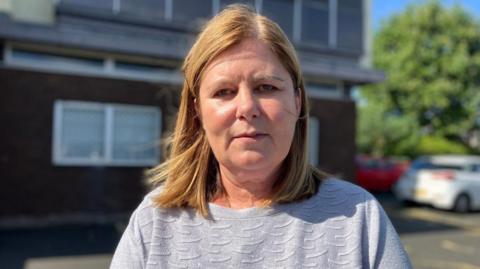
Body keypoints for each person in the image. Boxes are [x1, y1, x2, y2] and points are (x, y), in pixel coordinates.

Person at [110, 4, 412, 269]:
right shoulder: (154, 224)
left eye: (266, 87)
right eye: (223, 92)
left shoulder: (358, 218)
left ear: (297, 100)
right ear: (198, 111)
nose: (246, 108)